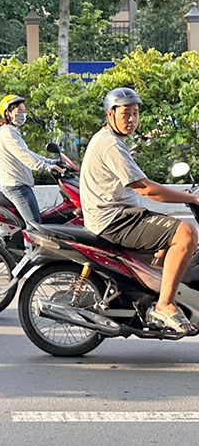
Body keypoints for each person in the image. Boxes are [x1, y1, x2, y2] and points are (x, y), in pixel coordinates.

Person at [81, 87, 199, 333]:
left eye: (135, 114)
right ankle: (164, 305)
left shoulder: (113, 141)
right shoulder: (110, 144)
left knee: (169, 234)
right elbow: (146, 189)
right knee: (186, 233)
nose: (132, 119)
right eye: (126, 114)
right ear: (110, 114)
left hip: (120, 215)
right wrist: (191, 198)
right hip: (114, 220)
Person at [0, 94, 64, 224]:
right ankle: (31, 245)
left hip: (20, 185)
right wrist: (46, 167)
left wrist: (51, 162)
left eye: (24, 111)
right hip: (16, 186)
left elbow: (28, 152)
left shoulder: (11, 131)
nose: (23, 114)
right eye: (19, 111)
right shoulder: (7, 132)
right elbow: (23, 155)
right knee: (34, 225)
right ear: (8, 113)